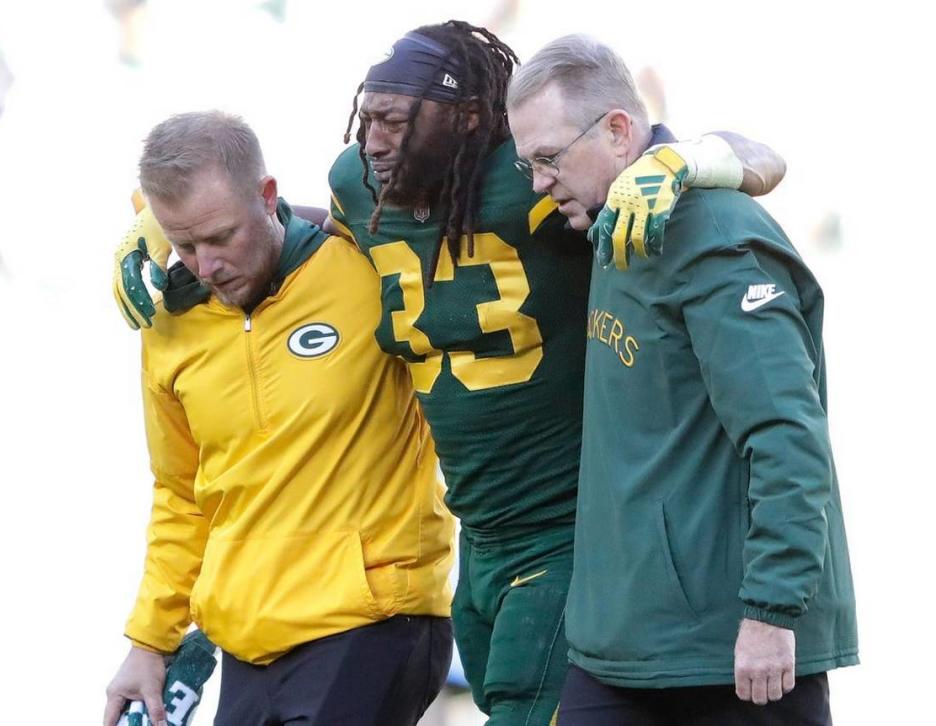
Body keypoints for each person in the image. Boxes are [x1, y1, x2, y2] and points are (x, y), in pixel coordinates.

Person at [112, 21, 786, 725]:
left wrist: (686, 161)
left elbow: (758, 159)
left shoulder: (530, 176)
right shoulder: (358, 188)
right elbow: (293, 233)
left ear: (466, 120)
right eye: (366, 118)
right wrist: (167, 231)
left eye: (394, 122)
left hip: (569, 526)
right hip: (479, 536)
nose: (372, 141)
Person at [507, 35, 858, 725]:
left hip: (731, 653)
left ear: (617, 131)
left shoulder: (714, 234)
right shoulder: (616, 225)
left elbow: (786, 434)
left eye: (548, 159)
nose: (541, 185)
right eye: (529, 165)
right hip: (624, 646)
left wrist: (770, 611)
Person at [102, 111, 455, 726]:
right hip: (248, 641)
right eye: (185, 244)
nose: (206, 265)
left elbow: (444, 201)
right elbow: (183, 497)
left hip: (372, 620)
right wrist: (150, 640)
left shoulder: (365, 267)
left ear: (268, 197)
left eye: (221, 237)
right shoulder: (169, 327)